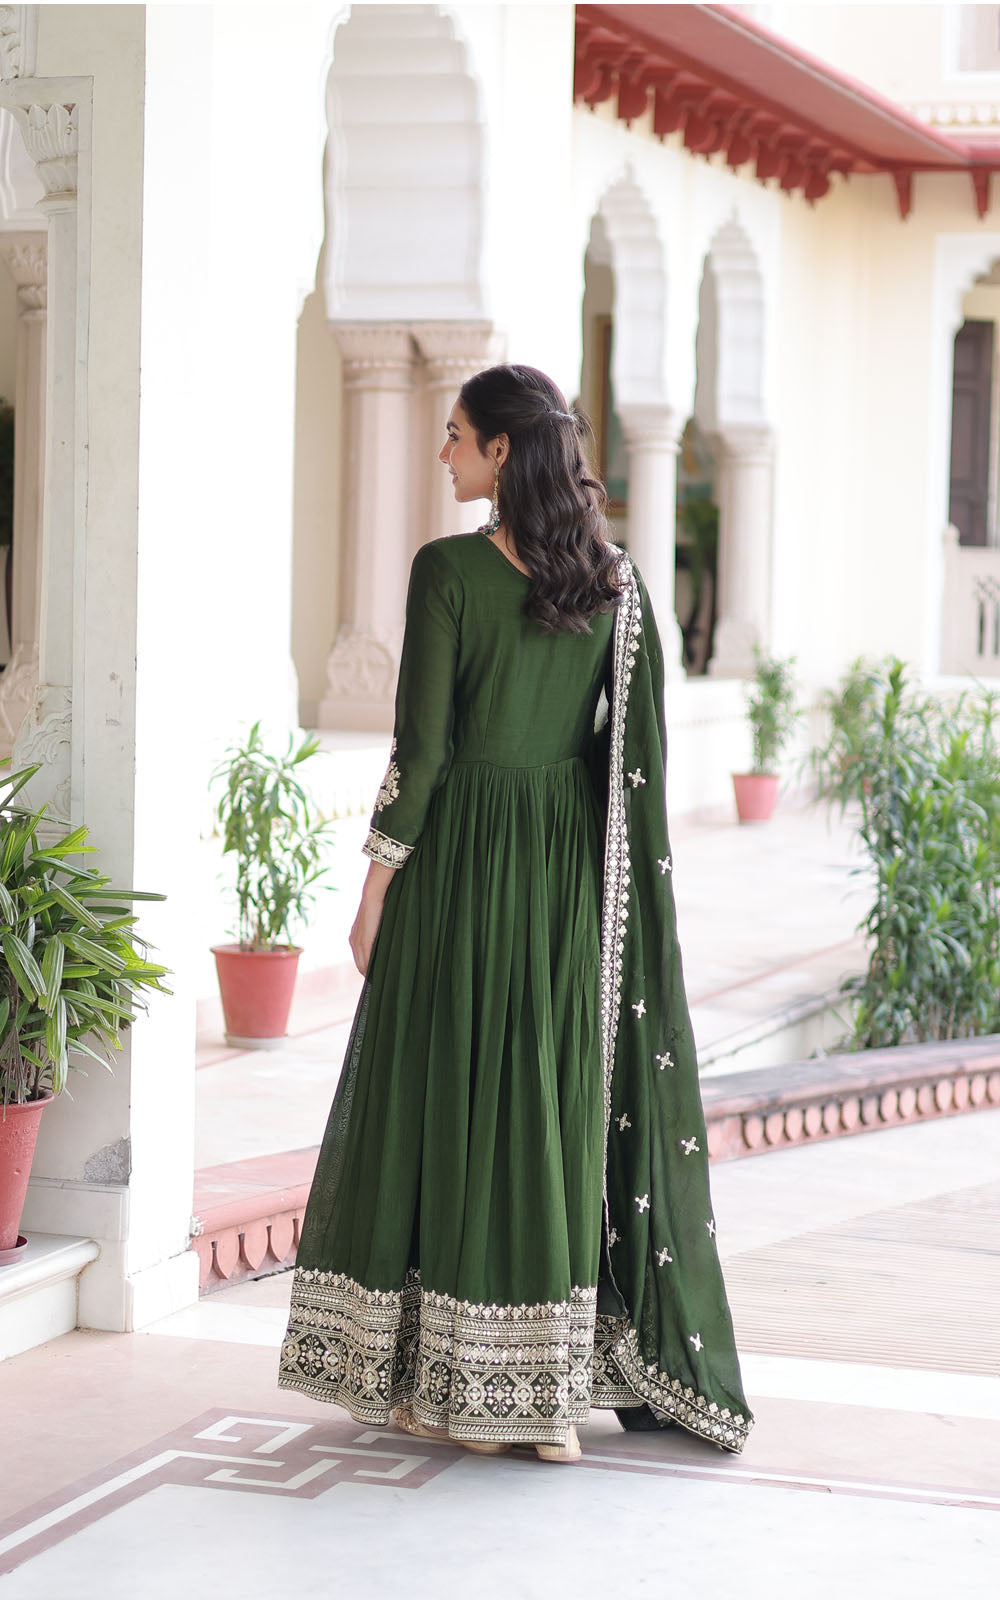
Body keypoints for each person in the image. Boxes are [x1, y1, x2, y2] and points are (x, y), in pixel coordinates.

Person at [278, 364, 754, 1463]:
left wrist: (374, 886)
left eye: (453, 437)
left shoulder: (444, 570)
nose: (442, 454)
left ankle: (459, 1394)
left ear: (500, 453)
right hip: (560, 875)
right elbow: (622, 758)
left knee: (448, 1097)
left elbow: (424, 751)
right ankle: (539, 1405)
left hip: (458, 867)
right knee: (539, 1103)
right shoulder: (616, 583)